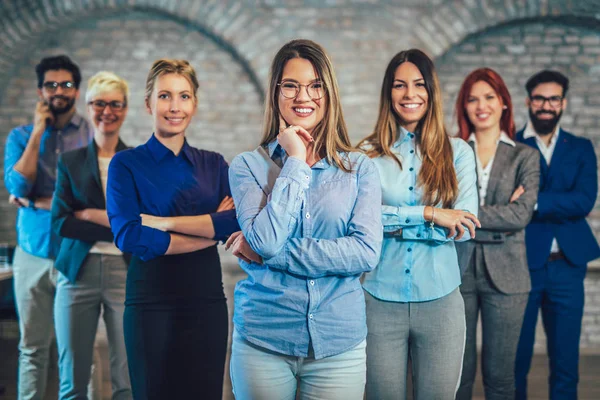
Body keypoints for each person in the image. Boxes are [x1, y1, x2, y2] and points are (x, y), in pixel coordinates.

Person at [225, 39, 383, 400]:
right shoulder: (247, 166)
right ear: (276, 93)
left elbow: (365, 253)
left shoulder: (359, 169)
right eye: (291, 85)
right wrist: (295, 160)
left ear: (329, 93)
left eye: (315, 86)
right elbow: (265, 241)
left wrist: (268, 253)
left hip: (338, 344)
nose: (303, 97)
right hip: (264, 339)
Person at [106, 58, 238, 400]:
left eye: (184, 96)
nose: (174, 106)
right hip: (150, 300)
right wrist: (210, 231)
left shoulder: (214, 164)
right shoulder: (127, 164)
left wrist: (163, 224)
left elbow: (236, 223)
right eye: (165, 96)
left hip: (206, 300)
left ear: (194, 103)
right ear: (149, 104)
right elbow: (129, 235)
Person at [358, 49, 480, 400]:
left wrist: (391, 218)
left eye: (418, 84)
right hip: (378, 300)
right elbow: (361, 221)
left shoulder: (457, 152)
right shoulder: (365, 153)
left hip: (441, 301)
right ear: (389, 93)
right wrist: (432, 214)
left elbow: (465, 224)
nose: (409, 94)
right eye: (399, 85)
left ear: (431, 91)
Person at [3, 55, 93, 399]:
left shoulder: (90, 134)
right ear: (40, 90)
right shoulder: (21, 135)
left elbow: (88, 197)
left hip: (77, 253)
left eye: (66, 84)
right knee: (33, 349)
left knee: (78, 352)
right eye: (51, 84)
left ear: (77, 89)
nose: (59, 91)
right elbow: (18, 187)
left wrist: (39, 202)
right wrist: (39, 131)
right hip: (33, 254)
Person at [453, 68, 540, 400]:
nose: (481, 105)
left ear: (504, 102)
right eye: (472, 99)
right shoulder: (453, 149)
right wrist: (498, 213)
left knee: (500, 378)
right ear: (464, 106)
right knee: (456, 374)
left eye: (489, 97)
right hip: (457, 271)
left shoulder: (524, 156)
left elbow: (520, 215)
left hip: (508, 276)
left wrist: (463, 215)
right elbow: (440, 205)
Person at [514, 70, 600, 400]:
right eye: (539, 98)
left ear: (563, 103)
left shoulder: (579, 147)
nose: (546, 105)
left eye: (553, 98)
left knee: (565, 360)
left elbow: (584, 200)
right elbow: (506, 203)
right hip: (522, 264)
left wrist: (533, 201)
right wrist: (557, 204)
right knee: (516, 359)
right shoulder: (512, 145)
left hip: (567, 265)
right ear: (528, 102)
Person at [51, 71, 132, 400]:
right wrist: (117, 222)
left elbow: (140, 224)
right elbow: (62, 223)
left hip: (126, 273)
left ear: (125, 109)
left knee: (127, 378)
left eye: (115, 104)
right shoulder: (70, 161)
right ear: (88, 106)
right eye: (99, 103)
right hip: (76, 272)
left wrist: (91, 214)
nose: (107, 111)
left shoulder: (135, 162)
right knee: (73, 379)